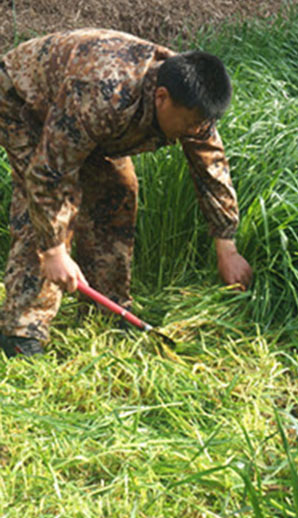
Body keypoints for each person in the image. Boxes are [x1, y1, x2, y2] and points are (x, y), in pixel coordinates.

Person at [0, 27, 253, 357]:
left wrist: (226, 244)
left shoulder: (191, 98)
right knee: (48, 209)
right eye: (190, 124)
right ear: (161, 98)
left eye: (201, 125)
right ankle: (22, 331)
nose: (194, 132)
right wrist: (53, 251)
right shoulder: (105, 91)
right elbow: (49, 175)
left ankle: (108, 311)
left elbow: (211, 164)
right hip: (21, 101)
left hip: (81, 116)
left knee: (119, 190)